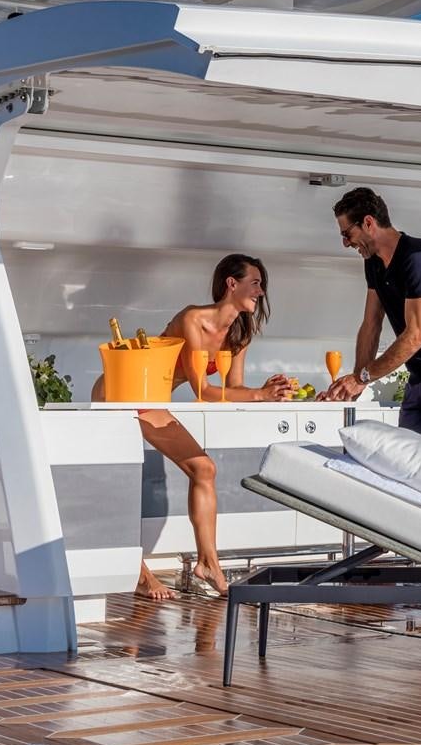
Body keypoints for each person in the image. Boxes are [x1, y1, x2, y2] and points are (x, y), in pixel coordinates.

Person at [92, 254, 298, 600]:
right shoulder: (192, 319)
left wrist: (267, 392)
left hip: (151, 399)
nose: (261, 291)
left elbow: (230, 393)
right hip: (119, 390)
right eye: (256, 282)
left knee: (204, 469)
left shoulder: (240, 335)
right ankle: (141, 575)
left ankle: (208, 563)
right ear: (232, 284)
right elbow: (202, 389)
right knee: (123, 481)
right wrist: (259, 395)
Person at [321, 188, 421, 463]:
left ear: (369, 223)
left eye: (347, 234)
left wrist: (363, 377)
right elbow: (371, 324)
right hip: (419, 377)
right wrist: (356, 382)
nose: (346, 243)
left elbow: (415, 336)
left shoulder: (418, 258)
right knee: (416, 473)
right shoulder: (373, 264)